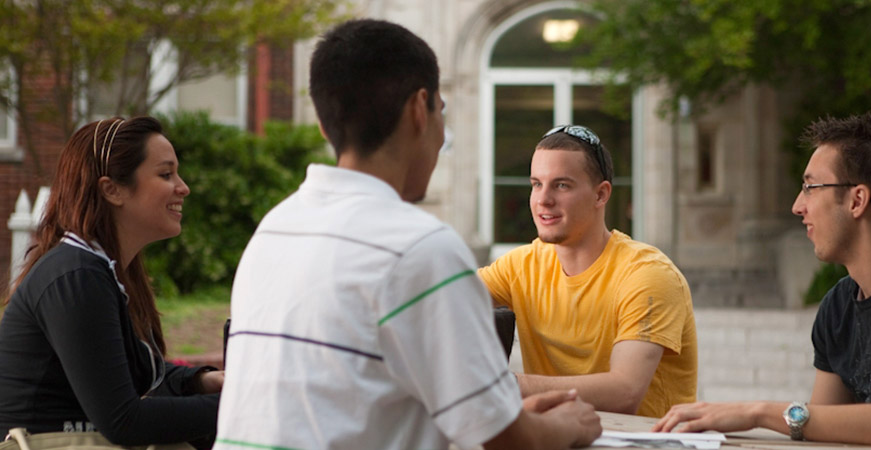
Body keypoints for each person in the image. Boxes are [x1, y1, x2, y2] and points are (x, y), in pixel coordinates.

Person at [214, 19, 601, 450]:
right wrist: (569, 426)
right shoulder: (421, 247)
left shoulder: (275, 229)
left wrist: (504, 414)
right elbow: (505, 438)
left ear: (326, 125)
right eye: (442, 112)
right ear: (420, 110)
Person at [652, 113, 871, 449]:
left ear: (857, 200)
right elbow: (821, 435)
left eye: (810, 187)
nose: (797, 206)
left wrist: (757, 412)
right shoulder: (838, 305)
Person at [0, 117, 222, 446]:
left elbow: (121, 377)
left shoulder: (102, 270)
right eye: (165, 174)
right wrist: (243, 406)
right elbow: (124, 420)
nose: (183, 187)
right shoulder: (77, 276)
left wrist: (201, 381)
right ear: (112, 189)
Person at [478, 125, 697, 418]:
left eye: (562, 185)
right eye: (536, 184)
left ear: (600, 194)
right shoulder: (521, 265)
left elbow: (624, 392)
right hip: (560, 438)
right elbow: (437, 299)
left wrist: (499, 385)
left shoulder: (648, 275)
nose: (543, 199)